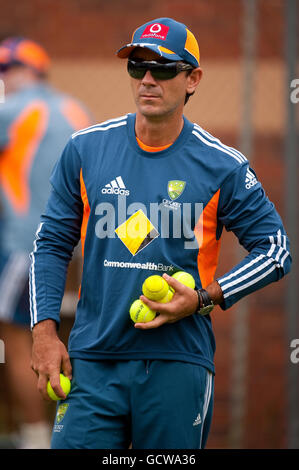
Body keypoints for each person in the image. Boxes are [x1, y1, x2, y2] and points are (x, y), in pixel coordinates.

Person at [30, 18, 291, 449]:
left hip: (177, 362)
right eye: (138, 66)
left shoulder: (222, 165)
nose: (148, 79)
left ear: (193, 80)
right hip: (93, 360)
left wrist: (205, 298)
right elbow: (51, 243)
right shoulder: (85, 149)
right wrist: (44, 334)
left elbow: (276, 250)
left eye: (164, 68)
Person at [0, 36, 93, 448]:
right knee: (68, 337)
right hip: (78, 248)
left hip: (24, 244)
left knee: (20, 338)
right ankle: (70, 435)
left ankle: (37, 440)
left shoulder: (12, 109)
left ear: (15, 73)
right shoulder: (77, 109)